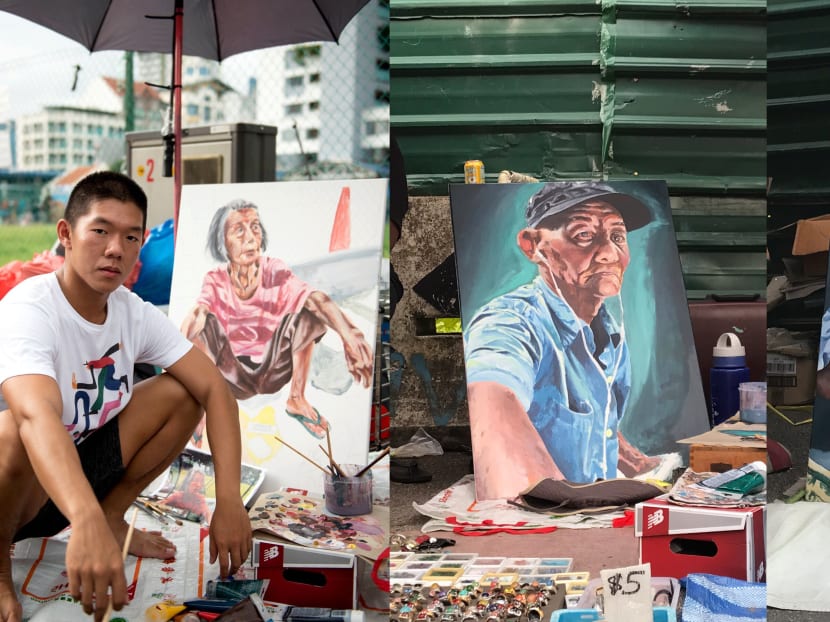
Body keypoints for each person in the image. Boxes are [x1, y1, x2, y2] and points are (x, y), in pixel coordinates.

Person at [0, 172, 252, 622]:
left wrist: (228, 500)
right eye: (100, 230)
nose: (115, 248)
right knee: (12, 429)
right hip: (20, 491)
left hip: (78, 476)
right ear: (66, 235)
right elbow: (37, 416)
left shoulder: (130, 311)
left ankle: (113, 519)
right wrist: (84, 518)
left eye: (131, 236)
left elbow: (215, 388)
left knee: (181, 392)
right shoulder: (29, 308)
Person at [464, 181, 660, 500]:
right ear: (533, 246)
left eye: (618, 237)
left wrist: (637, 462)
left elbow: (591, 417)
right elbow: (490, 398)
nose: (610, 254)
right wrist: (560, 509)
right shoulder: (510, 322)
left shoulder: (608, 332)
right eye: (583, 235)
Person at [180, 199, 374, 440]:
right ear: (222, 241)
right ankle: (203, 404)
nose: (250, 238)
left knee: (307, 311)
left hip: (272, 370)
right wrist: (175, 356)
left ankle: (297, 398)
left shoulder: (274, 270)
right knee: (203, 324)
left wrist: (351, 338)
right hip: (231, 377)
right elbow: (198, 313)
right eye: (239, 230)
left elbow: (316, 299)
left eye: (255, 227)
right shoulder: (215, 279)